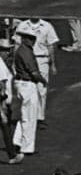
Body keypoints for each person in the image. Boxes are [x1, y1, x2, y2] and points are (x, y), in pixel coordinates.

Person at [14, 16, 57, 124]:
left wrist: (52, 64)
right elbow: (17, 45)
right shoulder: (22, 26)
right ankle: (28, 116)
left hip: (41, 59)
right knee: (27, 89)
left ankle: (40, 117)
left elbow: (51, 46)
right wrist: (15, 64)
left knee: (41, 90)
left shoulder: (47, 26)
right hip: (25, 58)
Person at [10, 26, 45, 158]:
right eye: (31, 38)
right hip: (27, 84)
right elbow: (34, 73)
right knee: (30, 117)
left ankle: (17, 141)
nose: (33, 41)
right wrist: (43, 81)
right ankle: (27, 148)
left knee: (24, 116)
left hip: (20, 83)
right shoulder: (26, 52)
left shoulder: (21, 50)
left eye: (33, 38)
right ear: (25, 39)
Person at [0, 37, 19, 162]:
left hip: (4, 103)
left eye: (9, 50)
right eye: (5, 50)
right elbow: (1, 86)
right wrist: (2, 108)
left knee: (6, 127)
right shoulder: (0, 64)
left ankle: (12, 154)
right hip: (2, 103)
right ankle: (12, 155)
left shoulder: (4, 63)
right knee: (5, 125)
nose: (8, 52)